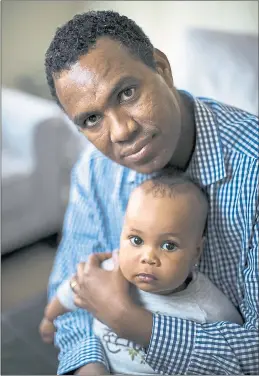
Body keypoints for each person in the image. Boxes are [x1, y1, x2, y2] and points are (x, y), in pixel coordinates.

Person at [45, 10, 258, 376]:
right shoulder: (94, 172)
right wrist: (89, 368)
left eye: (126, 93)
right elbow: (73, 298)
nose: (121, 131)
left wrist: (126, 318)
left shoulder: (252, 169)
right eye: (91, 119)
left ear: (162, 69)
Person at [40, 173, 243, 374]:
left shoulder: (208, 308)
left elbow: (232, 354)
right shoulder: (109, 271)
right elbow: (72, 288)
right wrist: (50, 317)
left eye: (168, 245)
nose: (148, 257)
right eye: (136, 240)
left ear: (196, 252)